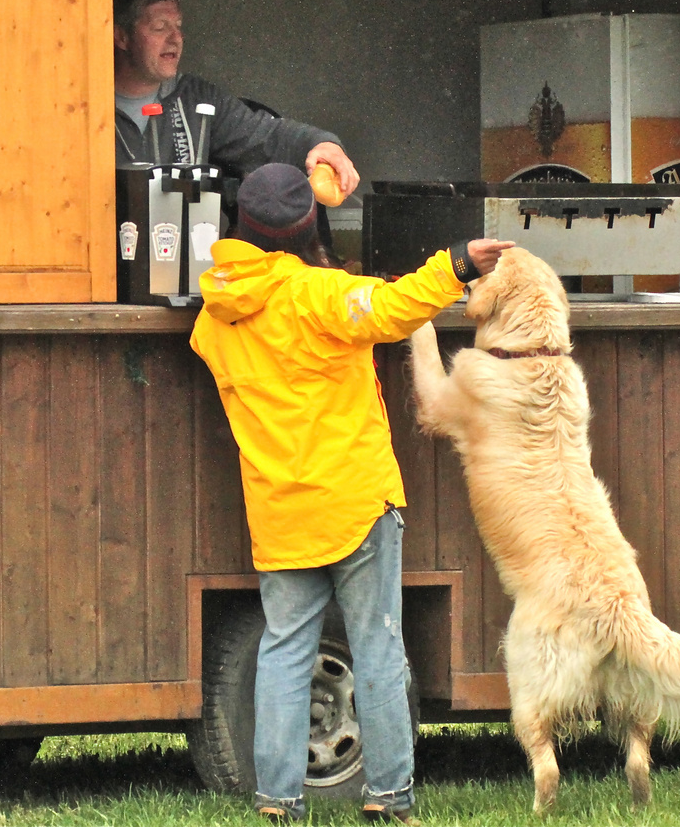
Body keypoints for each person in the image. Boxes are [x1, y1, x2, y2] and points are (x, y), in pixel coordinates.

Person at [189, 163, 512, 823]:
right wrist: (456, 263)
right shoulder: (320, 295)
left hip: (280, 507)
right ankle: (389, 797)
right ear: (309, 223)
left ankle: (277, 800)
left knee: (284, 651)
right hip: (355, 501)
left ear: (241, 227)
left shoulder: (214, 314)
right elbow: (391, 312)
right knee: (377, 649)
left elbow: (248, 331)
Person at [113, 0, 359, 197]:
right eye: (159, 27)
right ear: (122, 37)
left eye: (178, 27)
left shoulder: (196, 99)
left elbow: (267, 136)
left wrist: (324, 144)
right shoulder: (84, 100)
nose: (175, 39)